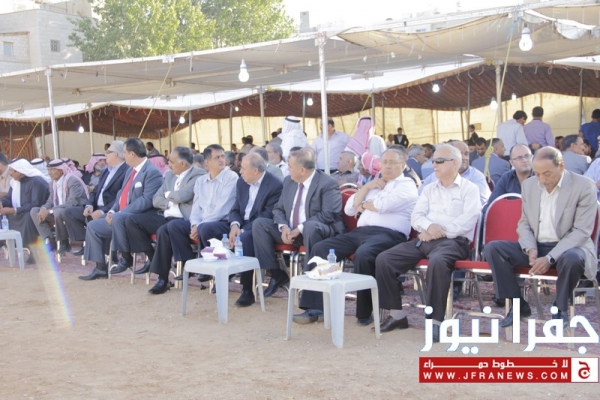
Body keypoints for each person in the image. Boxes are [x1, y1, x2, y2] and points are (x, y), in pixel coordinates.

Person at [296, 149, 418, 325]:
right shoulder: (374, 184)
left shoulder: (407, 184)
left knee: (364, 254)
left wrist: (364, 205)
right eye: (384, 162)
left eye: (392, 162)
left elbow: (384, 205)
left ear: (403, 165)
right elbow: (349, 209)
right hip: (360, 233)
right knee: (321, 248)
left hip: (389, 234)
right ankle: (314, 308)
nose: (387, 166)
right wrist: (367, 188)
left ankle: (364, 313)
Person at [374, 144, 481, 338]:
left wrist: (438, 232)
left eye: (439, 161)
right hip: (425, 239)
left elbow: (468, 220)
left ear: (454, 163)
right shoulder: (429, 188)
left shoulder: (469, 189)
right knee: (385, 259)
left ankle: (436, 321)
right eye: (433, 161)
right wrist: (429, 227)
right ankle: (396, 314)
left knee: (438, 262)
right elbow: (416, 216)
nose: (434, 165)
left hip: (454, 242)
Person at [484, 147, 597, 327]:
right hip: (538, 245)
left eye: (547, 174)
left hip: (569, 247)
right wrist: (530, 248)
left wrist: (550, 257)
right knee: (493, 249)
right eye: (537, 174)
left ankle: (560, 308)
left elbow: (581, 231)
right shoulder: (530, 185)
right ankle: (518, 304)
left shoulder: (583, 185)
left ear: (561, 166)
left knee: (573, 258)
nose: (542, 180)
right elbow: (524, 223)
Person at [253, 148, 344, 298]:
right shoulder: (289, 181)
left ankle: (311, 286)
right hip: (290, 232)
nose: (287, 169)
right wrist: (284, 227)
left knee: (310, 227)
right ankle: (276, 274)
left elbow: (328, 215)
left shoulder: (327, 183)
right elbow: (278, 209)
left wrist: (299, 229)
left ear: (302, 170)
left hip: (317, 232)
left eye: (290, 166)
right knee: (260, 224)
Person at [195, 153, 283, 305]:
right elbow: (235, 208)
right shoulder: (242, 182)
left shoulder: (274, 185)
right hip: (239, 223)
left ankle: (247, 290)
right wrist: (235, 225)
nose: (240, 171)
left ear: (255, 171)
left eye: (243, 168)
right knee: (205, 228)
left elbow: (267, 215)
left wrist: (241, 231)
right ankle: (217, 272)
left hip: (259, 227)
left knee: (244, 239)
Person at [147, 144, 238, 287]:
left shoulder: (231, 177)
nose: (221, 160)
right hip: (201, 222)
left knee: (205, 228)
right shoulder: (201, 181)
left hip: (222, 222)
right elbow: (196, 209)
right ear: (207, 162)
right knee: (174, 226)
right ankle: (190, 263)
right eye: (217, 157)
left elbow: (222, 208)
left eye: (222, 156)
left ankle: (211, 270)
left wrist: (199, 225)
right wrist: (195, 223)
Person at [117, 146, 203, 292]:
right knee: (132, 221)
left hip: (184, 219)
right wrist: (170, 201)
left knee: (164, 231)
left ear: (183, 164)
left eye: (171, 161)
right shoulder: (169, 175)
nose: (168, 164)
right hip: (165, 215)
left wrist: (167, 195)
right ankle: (152, 256)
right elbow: (155, 199)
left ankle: (162, 279)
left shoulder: (198, 175)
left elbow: (184, 196)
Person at [79, 138, 163, 281]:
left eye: (124, 153)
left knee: (118, 217)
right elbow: (121, 194)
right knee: (93, 226)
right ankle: (100, 268)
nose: (123, 156)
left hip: (138, 219)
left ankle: (125, 257)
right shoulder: (130, 170)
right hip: (120, 217)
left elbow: (147, 200)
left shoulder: (151, 171)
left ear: (132, 154)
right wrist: (111, 211)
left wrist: (119, 213)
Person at [62, 141, 128, 256]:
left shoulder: (127, 171)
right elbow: (96, 191)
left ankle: (101, 254)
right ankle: (88, 241)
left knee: (98, 220)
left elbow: (122, 196)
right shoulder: (107, 171)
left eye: (108, 152)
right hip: (96, 207)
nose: (105, 155)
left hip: (111, 209)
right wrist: (89, 205)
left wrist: (103, 211)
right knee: (68, 213)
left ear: (115, 155)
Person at [30, 159, 89, 253]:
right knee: (34, 211)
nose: (49, 173)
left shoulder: (72, 181)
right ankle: (50, 240)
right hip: (58, 211)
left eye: (52, 170)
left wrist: (50, 211)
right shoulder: (52, 183)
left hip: (76, 210)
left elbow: (71, 202)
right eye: (48, 170)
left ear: (61, 170)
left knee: (58, 211)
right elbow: (50, 201)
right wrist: (43, 209)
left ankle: (63, 241)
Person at [0, 159, 51, 263]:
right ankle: (4, 243)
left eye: (11, 171)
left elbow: (36, 204)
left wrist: (14, 210)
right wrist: (1, 203)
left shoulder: (37, 181)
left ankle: (33, 251)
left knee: (29, 216)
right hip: (19, 211)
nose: (10, 173)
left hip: (36, 212)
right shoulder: (14, 182)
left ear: (20, 172)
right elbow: (8, 198)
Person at [420, 141, 490, 205]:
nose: (464, 158)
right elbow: (420, 197)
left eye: (466, 154)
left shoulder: (476, 176)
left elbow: (480, 202)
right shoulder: (434, 176)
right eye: (459, 154)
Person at [485, 144, 534, 209]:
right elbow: (492, 204)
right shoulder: (507, 178)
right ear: (511, 163)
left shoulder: (540, 176)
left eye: (527, 156)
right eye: (519, 158)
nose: (525, 160)